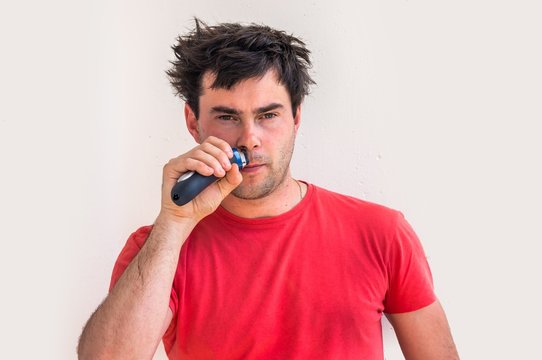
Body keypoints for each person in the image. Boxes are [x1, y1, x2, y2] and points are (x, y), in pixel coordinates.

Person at [78, 19, 459, 359]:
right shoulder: (159, 249)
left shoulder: (381, 233)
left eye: (268, 115)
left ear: (295, 117)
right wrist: (175, 223)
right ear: (193, 123)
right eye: (227, 117)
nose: (250, 139)